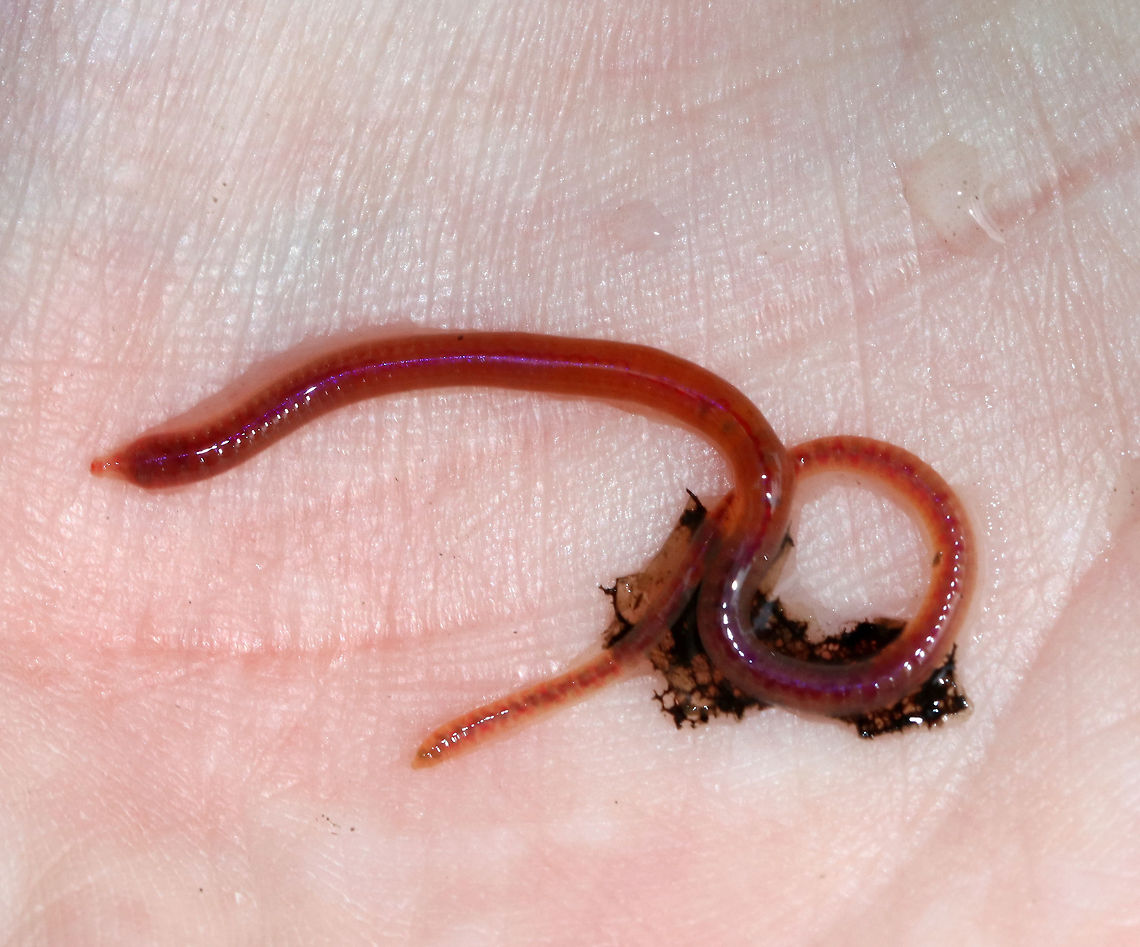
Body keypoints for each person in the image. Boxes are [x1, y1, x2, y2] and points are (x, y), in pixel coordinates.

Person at [2, 1, 1136, 941]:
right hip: (745, 492)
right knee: (371, 381)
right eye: (168, 456)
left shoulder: (749, 529)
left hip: (749, 515)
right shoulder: (751, 499)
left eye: (164, 457)